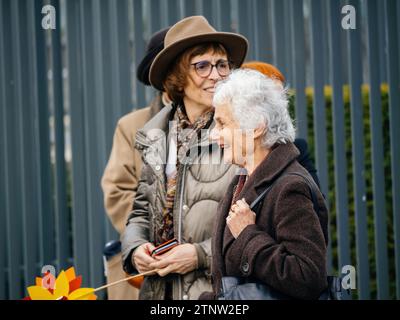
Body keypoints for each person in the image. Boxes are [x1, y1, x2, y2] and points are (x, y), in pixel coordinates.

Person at [121, 15, 248, 300]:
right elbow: (141, 211)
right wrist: (135, 248)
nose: (216, 75)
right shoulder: (155, 136)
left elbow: (262, 222)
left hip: (218, 295)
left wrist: (200, 255)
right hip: (159, 294)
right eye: (202, 65)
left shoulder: (244, 132)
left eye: (222, 64)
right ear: (176, 78)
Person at [201, 69, 328, 299]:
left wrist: (249, 234)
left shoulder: (289, 187)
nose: (213, 135)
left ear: (256, 127)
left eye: (221, 123)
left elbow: (308, 277)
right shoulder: (241, 180)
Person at [101, 27, 170, 300]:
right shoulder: (131, 126)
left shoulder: (220, 121)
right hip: (143, 266)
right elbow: (117, 191)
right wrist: (163, 233)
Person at [241, 61, 320, 188]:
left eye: (282, 96)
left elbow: (316, 203)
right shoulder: (225, 152)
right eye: (272, 98)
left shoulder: (295, 150)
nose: (282, 105)